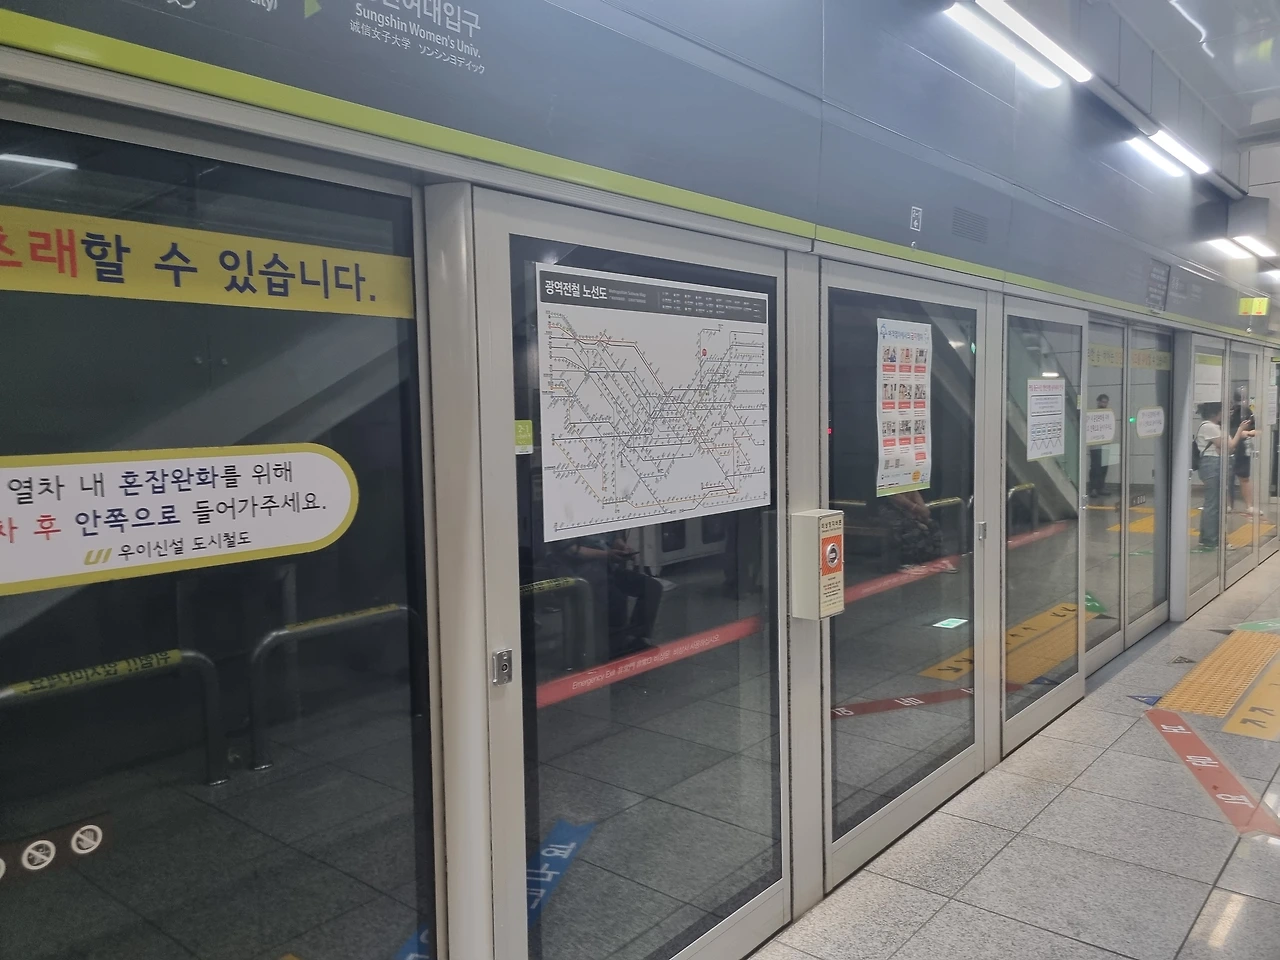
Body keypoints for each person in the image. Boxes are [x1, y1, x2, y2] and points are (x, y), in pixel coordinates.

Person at [557, 533, 662, 659]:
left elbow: (613, 538)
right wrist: (607, 555)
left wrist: (622, 547)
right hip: (579, 571)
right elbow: (571, 550)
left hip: (607, 568)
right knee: (615, 600)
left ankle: (635, 638)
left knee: (651, 588)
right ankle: (614, 648)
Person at [1196, 402, 1252, 550]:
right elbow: (1230, 446)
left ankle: (1208, 538)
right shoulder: (1210, 427)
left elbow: (1225, 448)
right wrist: (1240, 430)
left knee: (1213, 503)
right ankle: (1212, 540)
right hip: (1213, 465)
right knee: (1213, 504)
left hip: (1214, 464)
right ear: (1215, 412)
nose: (1226, 414)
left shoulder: (1214, 427)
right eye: (1223, 410)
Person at [1088, 394, 1110, 499]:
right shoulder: (1093, 415)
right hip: (1095, 446)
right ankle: (1093, 488)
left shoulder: (1108, 415)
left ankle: (1100, 487)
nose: (1104, 404)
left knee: (1104, 468)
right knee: (1095, 468)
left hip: (1106, 445)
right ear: (1098, 402)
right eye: (1103, 402)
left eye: (1106, 402)